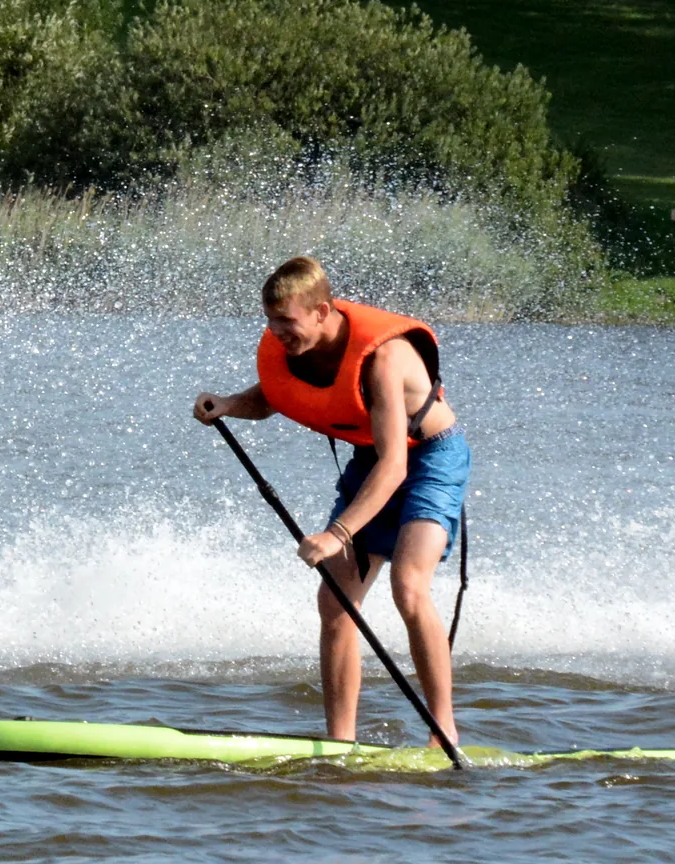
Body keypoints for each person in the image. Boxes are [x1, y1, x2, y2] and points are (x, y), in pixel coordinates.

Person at [192, 258, 468, 745]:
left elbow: (395, 467)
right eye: (271, 321)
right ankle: (341, 741)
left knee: (408, 585)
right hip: (372, 460)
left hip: (429, 461)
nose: (277, 332)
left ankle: (442, 728)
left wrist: (338, 534)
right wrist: (231, 404)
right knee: (335, 602)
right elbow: (277, 395)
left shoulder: (384, 358)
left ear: (321, 311)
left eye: (287, 322)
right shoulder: (298, 346)